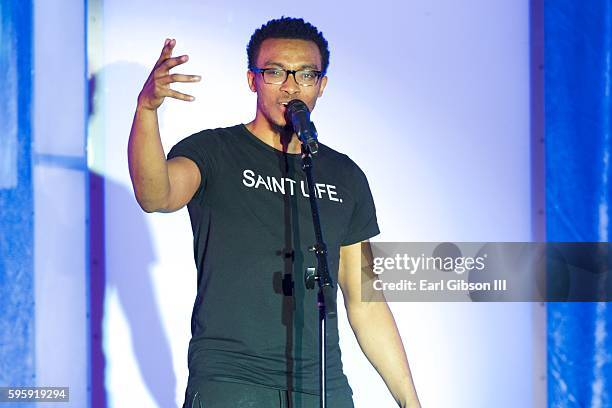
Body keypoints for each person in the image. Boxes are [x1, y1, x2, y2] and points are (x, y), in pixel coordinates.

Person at [128, 17, 420, 408]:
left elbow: (365, 299)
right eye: (275, 72)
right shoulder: (214, 151)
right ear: (253, 80)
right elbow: (155, 195)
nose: (290, 86)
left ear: (321, 85)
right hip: (231, 381)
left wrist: (410, 402)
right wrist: (147, 109)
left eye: (305, 75)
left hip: (322, 386)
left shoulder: (344, 175)